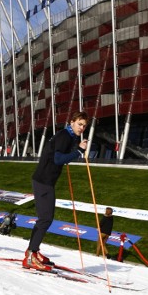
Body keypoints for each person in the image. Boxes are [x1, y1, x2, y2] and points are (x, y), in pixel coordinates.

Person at [23, 111, 89, 270]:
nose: (82, 128)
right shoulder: (64, 136)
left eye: (84, 126)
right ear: (72, 121)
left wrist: (75, 150)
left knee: (44, 218)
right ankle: (31, 255)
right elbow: (58, 159)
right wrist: (79, 151)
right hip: (44, 181)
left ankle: (33, 251)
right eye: (80, 124)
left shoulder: (68, 136)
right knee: (45, 218)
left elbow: (59, 157)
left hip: (45, 180)